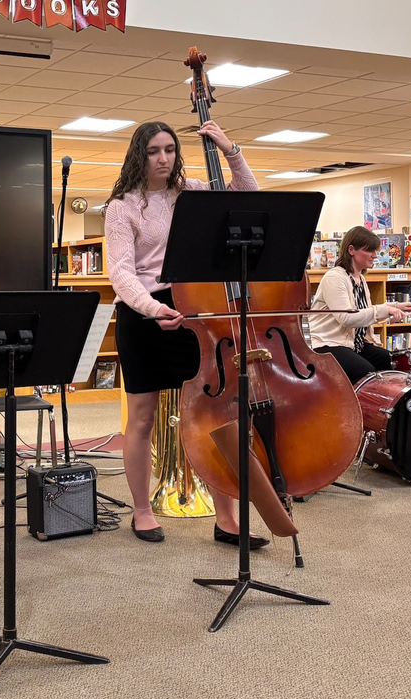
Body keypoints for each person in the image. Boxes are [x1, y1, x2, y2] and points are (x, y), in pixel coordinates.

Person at [104, 119, 268, 548]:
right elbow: (121, 273)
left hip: (194, 310)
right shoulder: (122, 206)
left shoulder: (193, 191)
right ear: (139, 155)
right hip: (145, 316)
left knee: (212, 416)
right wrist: (153, 308)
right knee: (141, 418)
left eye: (170, 150)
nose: (163, 159)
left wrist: (230, 148)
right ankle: (142, 512)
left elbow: (247, 196)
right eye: (154, 151)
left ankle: (226, 518)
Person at [308, 226, 411, 384]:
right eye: (369, 250)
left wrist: (395, 307)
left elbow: (364, 313)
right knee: (365, 371)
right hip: (328, 343)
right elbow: (347, 318)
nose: (374, 255)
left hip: (354, 343)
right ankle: (358, 408)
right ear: (351, 249)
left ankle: (384, 408)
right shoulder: (334, 277)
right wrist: (385, 310)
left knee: (392, 362)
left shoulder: (361, 279)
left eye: (375, 250)